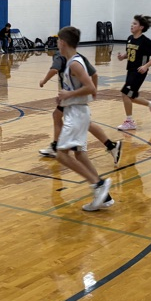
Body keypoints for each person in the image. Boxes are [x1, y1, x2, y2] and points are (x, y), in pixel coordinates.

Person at [53, 26, 112, 211]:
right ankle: (105, 197)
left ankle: (97, 184)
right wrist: (65, 97)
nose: (57, 43)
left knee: (61, 155)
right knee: (80, 154)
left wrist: (68, 95)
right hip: (77, 111)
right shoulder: (73, 61)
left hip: (76, 113)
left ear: (63, 42)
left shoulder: (75, 64)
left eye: (58, 40)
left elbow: (91, 87)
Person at [39, 52, 122, 164]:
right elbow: (95, 75)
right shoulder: (80, 57)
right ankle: (111, 145)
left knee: (61, 118)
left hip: (72, 97)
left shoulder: (60, 55)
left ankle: (56, 147)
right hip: (76, 96)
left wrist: (43, 81)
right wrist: (94, 90)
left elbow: (54, 70)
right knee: (81, 122)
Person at [116, 15, 151, 130]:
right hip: (130, 70)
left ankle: (130, 122)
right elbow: (130, 53)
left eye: (135, 24)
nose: (132, 25)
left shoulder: (145, 41)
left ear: (141, 27)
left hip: (139, 72)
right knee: (131, 96)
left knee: (125, 93)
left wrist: (146, 66)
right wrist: (123, 57)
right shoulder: (130, 38)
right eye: (132, 23)